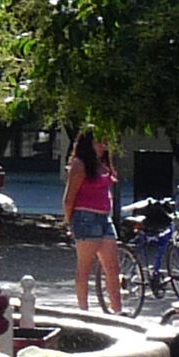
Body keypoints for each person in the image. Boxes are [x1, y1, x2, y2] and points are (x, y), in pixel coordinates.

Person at [63, 128, 122, 311]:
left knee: (113, 267)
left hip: (104, 218)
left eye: (105, 142)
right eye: (99, 142)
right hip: (85, 216)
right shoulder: (80, 165)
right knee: (85, 267)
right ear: (89, 143)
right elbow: (69, 197)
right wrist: (68, 221)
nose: (103, 146)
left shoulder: (103, 164)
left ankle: (117, 309)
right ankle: (83, 309)